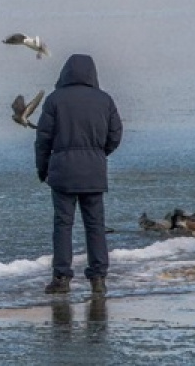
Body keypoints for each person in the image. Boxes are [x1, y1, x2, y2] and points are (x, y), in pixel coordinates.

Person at [34, 54, 123, 295]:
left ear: (65, 73)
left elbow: (43, 139)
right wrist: (98, 154)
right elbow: (115, 134)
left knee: (63, 225)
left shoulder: (55, 100)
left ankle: (62, 278)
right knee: (95, 225)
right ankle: (98, 279)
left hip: (62, 172)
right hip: (94, 171)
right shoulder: (104, 100)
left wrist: (43, 169)